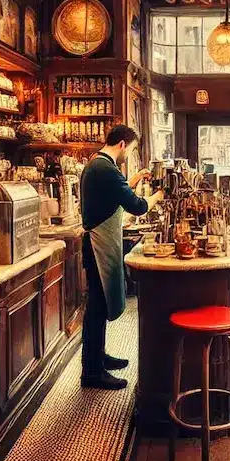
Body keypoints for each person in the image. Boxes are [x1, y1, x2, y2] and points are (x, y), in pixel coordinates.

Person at [79, 125, 163, 389]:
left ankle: (98, 358)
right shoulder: (105, 168)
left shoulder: (99, 163)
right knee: (96, 309)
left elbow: (115, 192)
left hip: (98, 244)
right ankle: (92, 373)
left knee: (99, 307)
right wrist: (159, 195)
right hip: (98, 246)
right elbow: (136, 206)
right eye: (133, 149)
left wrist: (135, 178)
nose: (131, 154)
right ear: (124, 144)